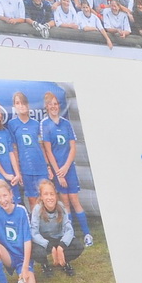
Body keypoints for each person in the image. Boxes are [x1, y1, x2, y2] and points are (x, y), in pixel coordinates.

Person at [41, 91, 92, 244]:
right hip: (58, 172)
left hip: (68, 169)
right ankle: (71, 234)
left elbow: (72, 148)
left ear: (58, 105)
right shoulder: (45, 124)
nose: (54, 107)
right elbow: (48, 150)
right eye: (50, 105)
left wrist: (66, 167)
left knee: (75, 200)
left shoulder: (66, 123)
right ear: (47, 107)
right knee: (65, 203)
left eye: (55, 104)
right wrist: (59, 173)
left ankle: (87, 234)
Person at [31, 178, 82, 277]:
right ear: (41, 197)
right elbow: (34, 232)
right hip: (44, 240)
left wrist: (61, 246)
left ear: (56, 195)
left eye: (52, 194)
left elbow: (69, 229)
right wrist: (49, 246)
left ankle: (64, 262)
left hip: (58, 238)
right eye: (46, 194)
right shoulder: (37, 209)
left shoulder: (61, 207)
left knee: (78, 246)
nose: (49, 197)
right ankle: (45, 265)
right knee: (37, 252)